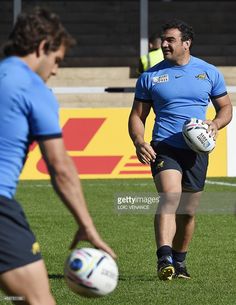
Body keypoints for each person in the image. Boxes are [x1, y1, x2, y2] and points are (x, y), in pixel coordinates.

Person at [0, 7, 116, 304]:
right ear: (42, 47)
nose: (55, 71)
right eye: (57, 60)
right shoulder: (31, 87)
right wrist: (87, 225)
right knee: (36, 300)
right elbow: (60, 166)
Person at [129, 19, 232, 281]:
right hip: (164, 146)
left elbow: (226, 108)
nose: (164, 44)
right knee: (170, 197)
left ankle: (180, 262)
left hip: (197, 149)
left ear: (186, 44)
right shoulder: (150, 76)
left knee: (187, 212)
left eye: (170, 40)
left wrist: (216, 123)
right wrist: (140, 141)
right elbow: (137, 116)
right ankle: (164, 258)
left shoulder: (208, 72)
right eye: (163, 39)